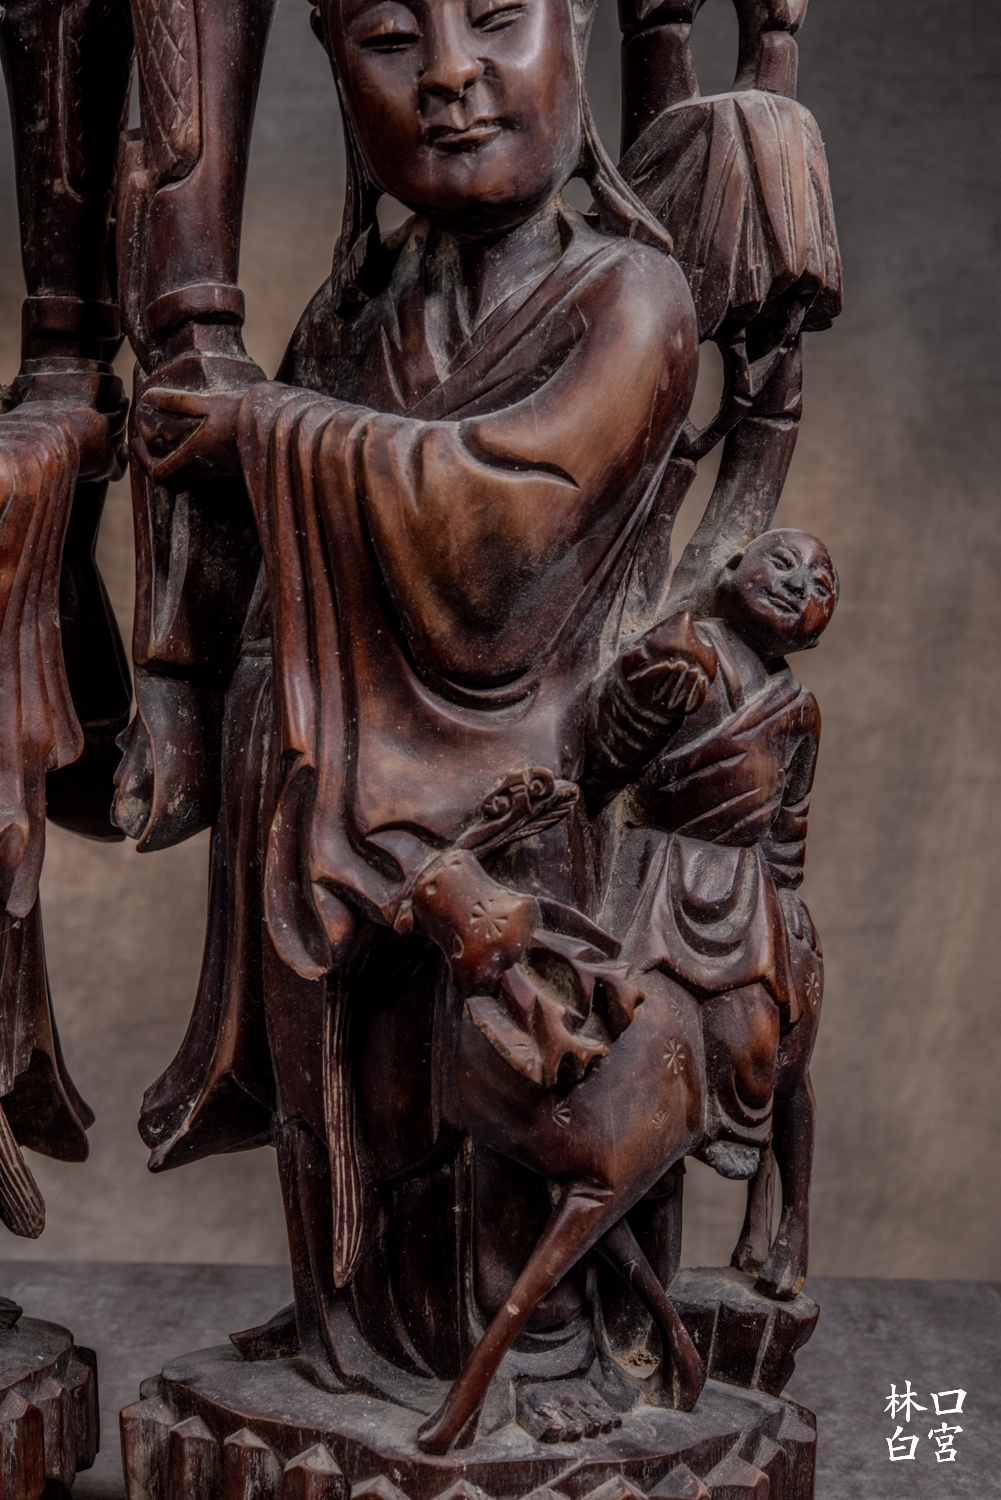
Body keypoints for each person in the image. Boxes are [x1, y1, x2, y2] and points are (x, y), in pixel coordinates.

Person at [126, 0, 705, 1404]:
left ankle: (519, 1364)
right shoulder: (350, 316)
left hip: (508, 794)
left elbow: (504, 537)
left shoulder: (630, 299)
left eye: (495, 18)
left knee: (488, 1100)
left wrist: (265, 429)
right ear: (335, 75)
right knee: (344, 1103)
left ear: (574, 32)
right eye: (389, 38)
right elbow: (260, 545)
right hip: (317, 794)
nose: (448, 72)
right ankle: (347, 1335)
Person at [595, 527, 838, 1299]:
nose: (799, 586)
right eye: (782, 563)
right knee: (626, 1050)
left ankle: (788, 1221)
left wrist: (785, 902)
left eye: (822, 584)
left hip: (745, 893)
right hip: (651, 873)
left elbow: (787, 823)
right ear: (730, 569)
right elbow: (606, 756)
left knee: (763, 1055)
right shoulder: (685, 649)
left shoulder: (797, 710)